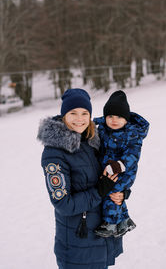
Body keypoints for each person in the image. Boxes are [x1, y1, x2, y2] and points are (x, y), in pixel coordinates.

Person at [37, 88, 125, 269]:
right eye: (73, 113)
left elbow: (109, 175)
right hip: (78, 245)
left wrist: (121, 191)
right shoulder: (54, 153)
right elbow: (64, 204)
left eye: (85, 113)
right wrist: (101, 190)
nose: (80, 118)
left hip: (100, 237)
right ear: (64, 116)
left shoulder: (93, 142)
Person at [94, 90, 149, 238]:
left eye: (119, 117)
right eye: (110, 116)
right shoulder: (103, 130)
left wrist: (115, 166)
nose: (114, 120)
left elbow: (132, 157)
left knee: (111, 193)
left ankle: (110, 224)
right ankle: (125, 220)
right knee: (116, 195)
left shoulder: (132, 135)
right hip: (110, 170)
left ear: (126, 119)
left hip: (124, 172)